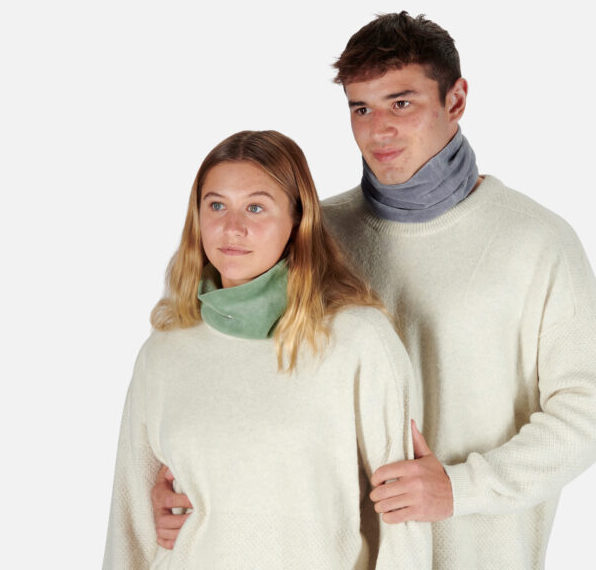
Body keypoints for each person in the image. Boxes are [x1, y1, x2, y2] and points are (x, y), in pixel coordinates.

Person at [151, 13, 596, 569]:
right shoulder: (312, 236)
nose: (377, 129)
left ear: (456, 100)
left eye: (401, 103)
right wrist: (189, 490)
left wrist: (461, 488)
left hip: (475, 552)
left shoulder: (537, 241)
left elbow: (585, 413)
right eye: (361, 108)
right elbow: (241, 381)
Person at [103, 129, 432, 568]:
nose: (232, 227)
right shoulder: (165, 350)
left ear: (297, 220)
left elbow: (403, 517)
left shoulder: (359, 340)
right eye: (216, 205)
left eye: (256, 207)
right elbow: (130, 517)